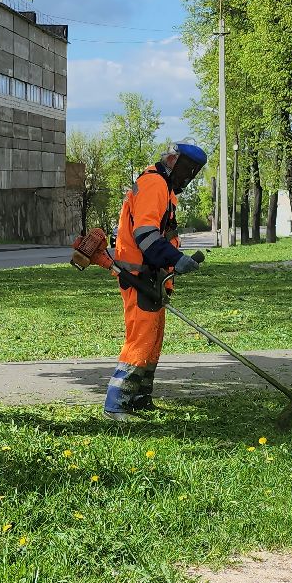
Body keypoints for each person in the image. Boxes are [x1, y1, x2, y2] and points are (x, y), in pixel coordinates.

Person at [103, 142, 207, 420]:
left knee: (152, 338)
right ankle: (116, 403)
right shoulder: (154, 185)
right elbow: (146, 235)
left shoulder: (163, 186)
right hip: (140, 276)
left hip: (151, 276)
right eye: (188, 169)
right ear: (173, 160)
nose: (189, 176)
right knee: (140, 340)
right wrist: (175, 258)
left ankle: (139, 397)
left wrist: (173, 260)